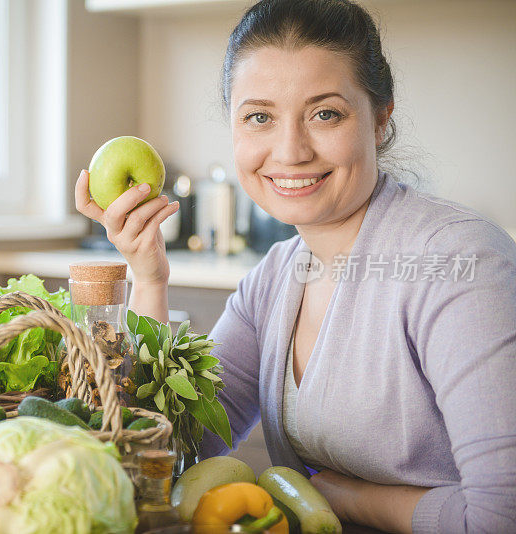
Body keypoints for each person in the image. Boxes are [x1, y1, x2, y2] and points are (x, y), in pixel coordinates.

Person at [74, 0, 516, 532]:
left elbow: (501, 514)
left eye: (325, 113)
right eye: (260, 117)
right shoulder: (276, 278)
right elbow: (175, 454)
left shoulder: (459, 262)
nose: (290, 150)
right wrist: (148, 278)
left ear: (379, 120)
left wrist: (347, 498)